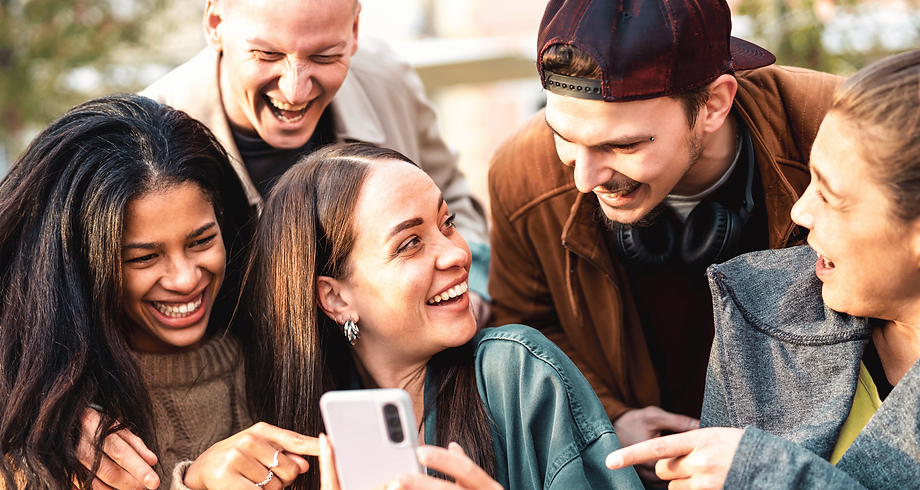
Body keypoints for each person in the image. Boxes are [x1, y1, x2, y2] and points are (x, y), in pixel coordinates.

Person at [486, 0, 842, 480]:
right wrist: (606, 419)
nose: (584, 179)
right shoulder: (520, 173)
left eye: (623, 145)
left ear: (714, 103)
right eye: (564, 136)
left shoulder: (841, 131)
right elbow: (530, 326)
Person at [605, 45, 920, 489]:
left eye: (829, 196)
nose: (800, 213)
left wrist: (774, 477)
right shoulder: (755, 309)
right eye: (809, 182)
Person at [240, 142, 644, 490]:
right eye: (410, 243)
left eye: (447, 223)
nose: (458, 253)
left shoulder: (518, 375)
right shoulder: (295, 443)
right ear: (335, 298)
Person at [0, 93, 319, 490]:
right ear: (81, 267)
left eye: (201, 241)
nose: (185, 279)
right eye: (144, 257)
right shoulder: (47, 430)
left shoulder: (289, 348)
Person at [140, 0, 492, 319]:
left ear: (354, 30)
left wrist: (470, 288)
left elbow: (452, 196)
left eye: (325, 56)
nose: (295, 90)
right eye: (266, 54)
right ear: (215, 22)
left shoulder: (388, 77)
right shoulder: (139, 139)